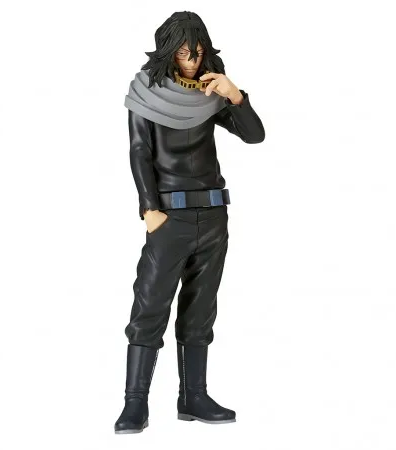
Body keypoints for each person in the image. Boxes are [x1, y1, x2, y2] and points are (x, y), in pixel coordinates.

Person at [115, 11, 265, 434]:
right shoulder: (146, 92)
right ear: (169, 50)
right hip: (169, 217)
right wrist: (149, 209)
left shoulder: (210, 94)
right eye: (183, 52)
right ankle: (135, 403)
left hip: (213, 215)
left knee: (201, 310)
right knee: (150, 305)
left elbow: (254, 135)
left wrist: (236, 96)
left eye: (197, 52)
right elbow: (139, 151)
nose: (191, 60)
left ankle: (193, 396)